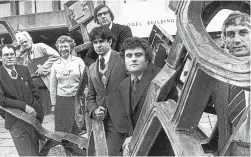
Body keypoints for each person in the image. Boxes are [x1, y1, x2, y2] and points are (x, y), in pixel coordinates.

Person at [116, 37, 168, 156]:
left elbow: (164, 119)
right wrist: (128, 142)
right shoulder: (123, 86)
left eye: (138, 55)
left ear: (147, 58)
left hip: (161, 148)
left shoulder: (161, 78)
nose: (133, 59)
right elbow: (130, 120)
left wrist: (135, 138)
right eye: (129, 56)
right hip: (138, 149)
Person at [86, 26, 130, 156]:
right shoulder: (92, 67)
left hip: (119, 121)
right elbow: (90, 96)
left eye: (101, 41)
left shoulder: (123, 59)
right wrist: (94, 110)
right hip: (99, 122)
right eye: (95, 42)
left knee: (108, 154)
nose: (98, 45)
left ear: (109, 42)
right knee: (92, 154)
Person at [213, 11, 250, 156]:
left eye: (243, 32)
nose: (237, 40)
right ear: (224, 39)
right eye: (231, 34)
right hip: (230, 150)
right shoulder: (219, 75)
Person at [0, 44, 44, 156]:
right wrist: (24, 106)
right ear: (1, 57)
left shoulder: (23, 69)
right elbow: (1, 99)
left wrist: (37, 109)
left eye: (12, 54)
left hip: (33, 118)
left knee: (36, 151)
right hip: (15, 121)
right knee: (26, 154)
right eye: (6, 55)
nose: (9, 57)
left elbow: (34, 91)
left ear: (15, 56)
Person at [15, 31, 60, 115]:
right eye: (22, 43)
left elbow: (56, 55)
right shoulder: (25, 55)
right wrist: (19, 54)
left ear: (30, 40)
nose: (24, 44)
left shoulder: (40, 46)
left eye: (25, 41)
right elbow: (16, 67)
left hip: (47, 79)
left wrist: (44, 67)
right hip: (35, 84)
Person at [50, 35, 86, 134]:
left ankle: (78, 148)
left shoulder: (78, 61)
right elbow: (53, 86)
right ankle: (67, 149)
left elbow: (85, 79)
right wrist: (53, 104)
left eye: (65, 46)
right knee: (63, 130)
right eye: (61, 47)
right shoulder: (55, 64)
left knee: (77, 127)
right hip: (62, 100)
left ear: (70, 47)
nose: (63, 49)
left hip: (77, 99)